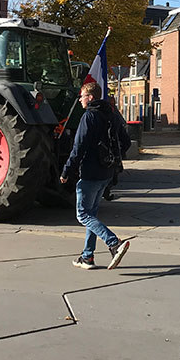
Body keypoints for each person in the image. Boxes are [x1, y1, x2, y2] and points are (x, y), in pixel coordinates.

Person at [61, 81, 132, 270]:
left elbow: (79, 147)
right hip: (107, 173)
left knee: (83, 214)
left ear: (90, 97)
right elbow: (126, 142)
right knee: (91, 214)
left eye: (82, 96)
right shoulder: (112, 115)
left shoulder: (89, 117)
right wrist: (112, 159)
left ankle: (114, 243)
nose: (80, 100)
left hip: (91, 172)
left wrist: (67, 170)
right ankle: (87, 257)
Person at [103, 96, 128, 201]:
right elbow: (126, 141)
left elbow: (126, 141)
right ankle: (106, 191)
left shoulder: (112, 117)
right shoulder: (114, 117)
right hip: (112, 153)